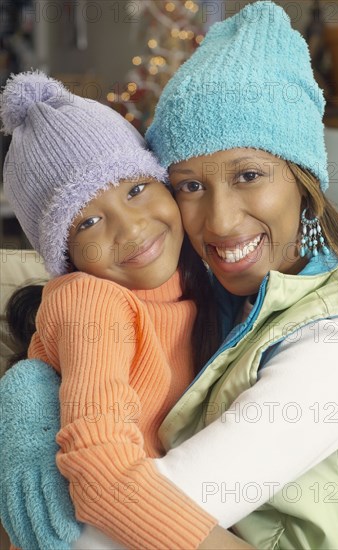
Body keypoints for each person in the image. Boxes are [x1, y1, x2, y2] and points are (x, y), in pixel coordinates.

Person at [1, 2, 338, 549]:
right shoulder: (212, 287)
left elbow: (100, 540)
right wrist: (30, 396)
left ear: (302, 177)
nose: (218, 221)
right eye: (190, 185)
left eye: (248, 175)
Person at [0, 71, 252, 550]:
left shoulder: (203, 279)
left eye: (136, 189)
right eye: (89, 221)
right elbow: (100, 470)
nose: (131, 227)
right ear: (65, 255)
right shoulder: (92, 300)